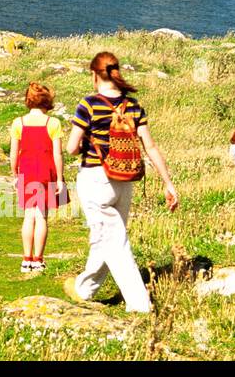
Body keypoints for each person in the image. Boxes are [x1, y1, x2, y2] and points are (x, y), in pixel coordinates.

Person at [63, 51, 179, 313]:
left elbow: (71, 148)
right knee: (107, 236)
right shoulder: (134, 106)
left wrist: (86, 142)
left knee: (114, 241)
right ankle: (85, 288)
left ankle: (139, 305)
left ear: (94, 74)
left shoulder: (89, 104)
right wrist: (168, 183)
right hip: (125, 179)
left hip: (95, 178)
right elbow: (149, 146)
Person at [9, 82, 65, 273]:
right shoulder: (53, 123)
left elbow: (14, 153)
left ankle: (26, 259)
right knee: (42, 216)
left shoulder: (19, 123)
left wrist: (14, 173)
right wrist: (59, 179)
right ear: (47, 100)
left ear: (28, 100)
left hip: (26, 171)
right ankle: (38, 260)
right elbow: (58, 154)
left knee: (28, 216)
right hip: (46, 172)